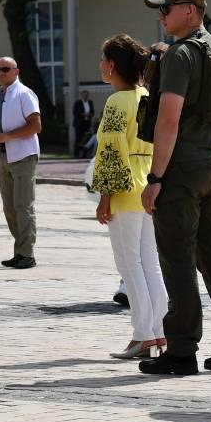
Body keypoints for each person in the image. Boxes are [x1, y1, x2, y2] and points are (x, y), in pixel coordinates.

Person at [137, 0, 211, 377]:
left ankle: (181, 352)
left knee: (178, 260)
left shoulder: (181, 55)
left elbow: (168, 121)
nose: (161, 16)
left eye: (166, 8)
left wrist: (155, 177)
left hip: (181, 172)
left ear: (190, 10)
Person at [91, 35, 166, 359]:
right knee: (150, 263)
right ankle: (160, 331)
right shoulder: (148, 96)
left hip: (124, 187)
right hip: (149, 180)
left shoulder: (116, 102)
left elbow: (110, 150)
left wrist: (105, 197)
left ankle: (142, 334)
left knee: (129, 264)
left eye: (103, 60)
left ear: (111, 66)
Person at [0, 56, 42, 269]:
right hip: (4, 156)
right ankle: (20, 250)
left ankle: (27, 254)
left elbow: (36, 126)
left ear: (16, 71)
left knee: (23, 206)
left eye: (5, 69)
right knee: (10, 207)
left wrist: (6, 137)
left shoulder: (24, 93)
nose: (1, 73)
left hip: (23, 156)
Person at [72, 89, 95, 156]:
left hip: (87, 123)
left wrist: (89, 114)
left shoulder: (90, 102)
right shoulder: (78, 103)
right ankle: (76, 154)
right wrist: (83, 114)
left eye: (87, 95)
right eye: (84, 95)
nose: (85, 96)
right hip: (79, 124)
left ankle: (84, 154)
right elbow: (75, 112)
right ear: (82, 95)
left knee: (86, 139)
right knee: (78, 138)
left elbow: (93, 112)